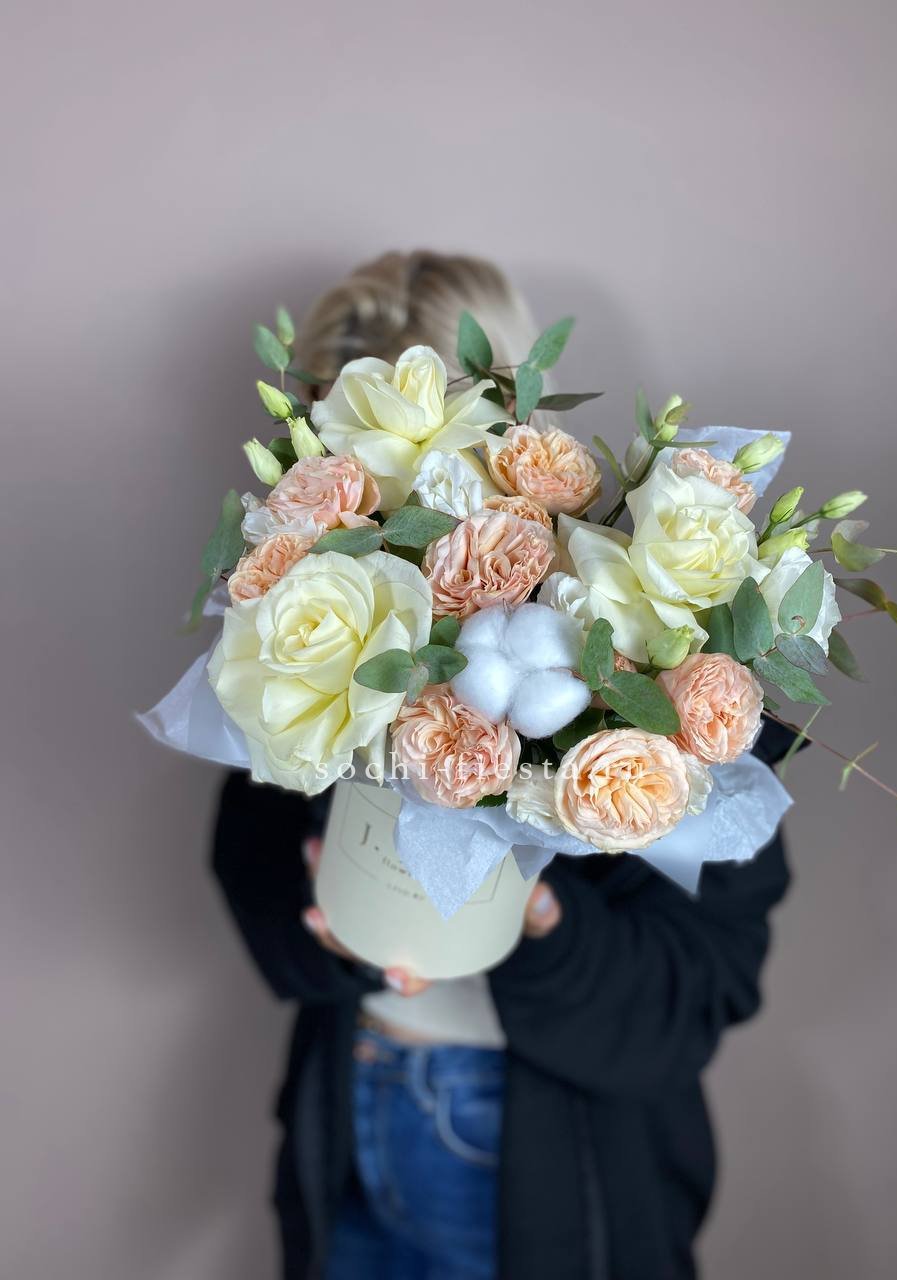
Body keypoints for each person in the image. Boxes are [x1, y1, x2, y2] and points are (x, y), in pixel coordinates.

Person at [212, 250, 795, 1280]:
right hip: (349, 1105)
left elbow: (691, 999)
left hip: (536, 1160)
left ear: (505, 415)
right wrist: (332, 924)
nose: (380, 498)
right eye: (337, 451)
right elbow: (247, 854)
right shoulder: (317, 614)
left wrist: (536, 914)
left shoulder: (666, 656)